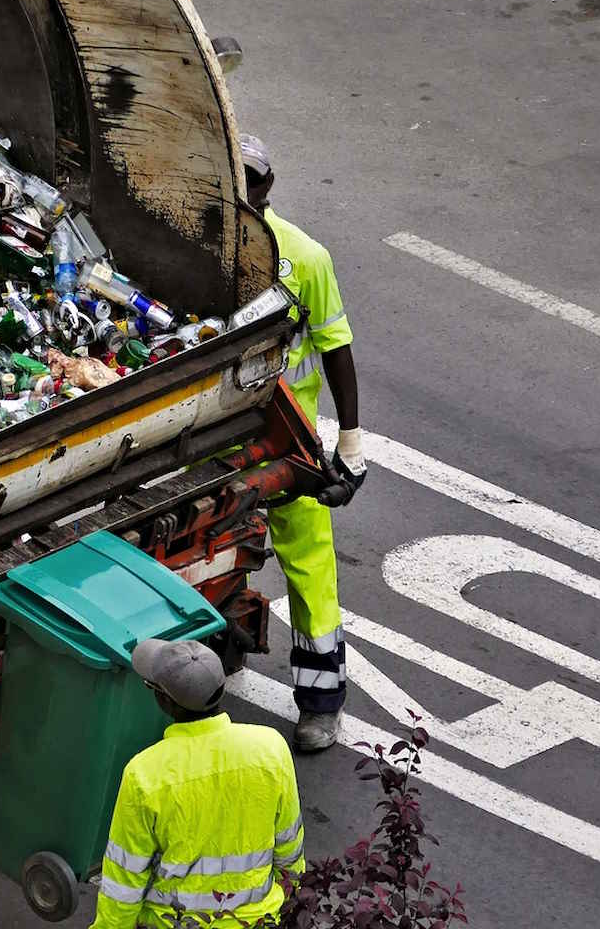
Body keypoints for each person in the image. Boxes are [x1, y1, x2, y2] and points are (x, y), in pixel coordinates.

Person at [240, 132, 366, 753]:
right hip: (213, 437)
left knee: (310, 569)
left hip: (286, 441)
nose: (243, 189)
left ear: (270, 185)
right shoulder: (192, 243)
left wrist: (351, 443)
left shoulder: (305, 258)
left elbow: (336, 347)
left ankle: (321, 705)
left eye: (253, 178)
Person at [92, 638, 306, 929]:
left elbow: (125, 879)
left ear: (164, 701)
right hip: (259, 920)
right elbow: (289, 847)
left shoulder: (144, 775)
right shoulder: (271, 749)